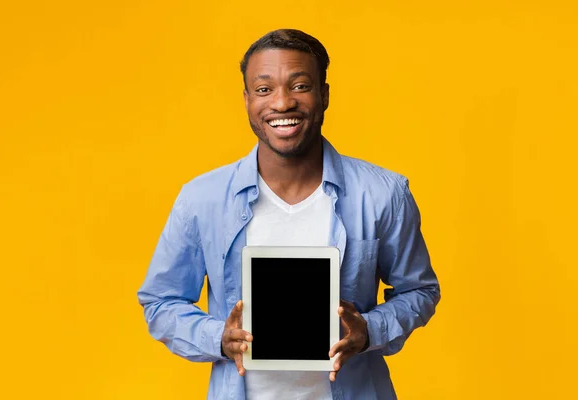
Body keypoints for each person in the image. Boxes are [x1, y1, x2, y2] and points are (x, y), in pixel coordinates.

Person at [137, 29, 440, 400]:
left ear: (324, 95)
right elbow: (160, 301)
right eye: (264, 90)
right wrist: (217, 337)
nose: (282, 103)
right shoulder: (202, 198)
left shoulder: (383, 193)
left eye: (300, 86)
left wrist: (369, 331)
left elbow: (419, 290)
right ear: (247, 100)